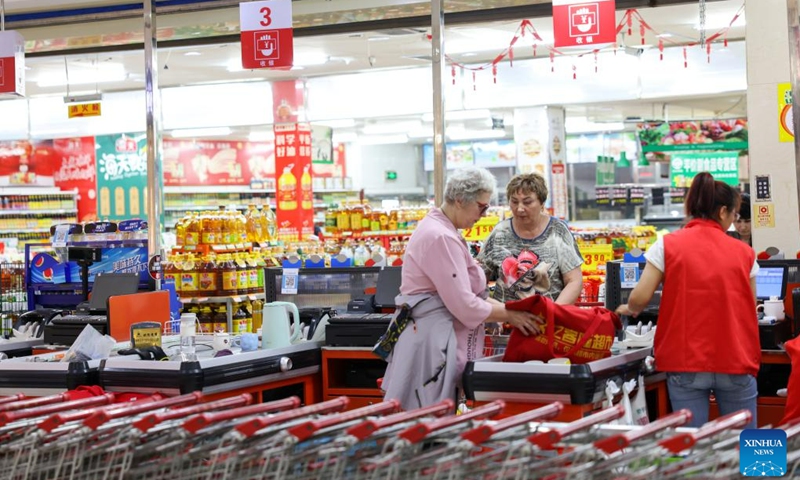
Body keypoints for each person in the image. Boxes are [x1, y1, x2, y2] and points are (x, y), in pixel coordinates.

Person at [380, 167, 543, 410]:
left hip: (433, 334)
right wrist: (510, 314)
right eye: (481, 206)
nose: (483, 213)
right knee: (426, 417)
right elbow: (464, 305)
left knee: (432, 414)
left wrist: (510, 309)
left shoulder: (445, 231)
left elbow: (468, 296)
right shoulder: (440, 237)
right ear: (459, 200)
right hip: (429, 342)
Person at [615, 172, 760, 429]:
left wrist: (630, 308)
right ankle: (755, 470)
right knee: (747, 445)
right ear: (723, 211)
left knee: (689, 447)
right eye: (734, 214)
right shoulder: (745, 253)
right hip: (735, 358)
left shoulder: (667, 245)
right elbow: (750, 303)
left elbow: (640, 297)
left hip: (685, 362)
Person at [478, 173, 583, 304]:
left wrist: (554, 313)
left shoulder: (557, 231)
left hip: (548, 319)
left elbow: (574, 281)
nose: (520, 208)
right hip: (507, 319)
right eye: (514, 202)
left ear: (542, 203)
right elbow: (477, 279)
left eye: (527, 202)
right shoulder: (500, 232)